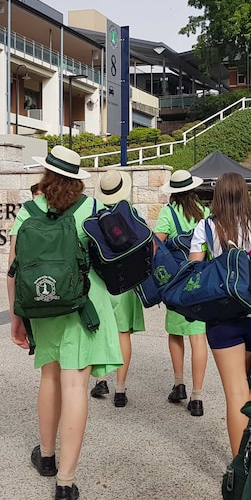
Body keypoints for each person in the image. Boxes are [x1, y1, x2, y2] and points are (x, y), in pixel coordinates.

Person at [7, 145, 122, 500]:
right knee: (76, 386)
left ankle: (46, 456)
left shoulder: (27, 211)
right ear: (77, 179)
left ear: (45, 174)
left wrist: (17, 316)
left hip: (41, 310)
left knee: (49, 378)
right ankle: (65, 484)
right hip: (83, 307)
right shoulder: (91, 210)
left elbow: (11, 269)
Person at [189, 172, 251, 454]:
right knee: (250, 387)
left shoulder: (206, 227)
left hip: (222, 317)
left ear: (217, 196)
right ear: (245, 195)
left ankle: (240, 465)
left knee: (235, 394)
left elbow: (195, 273)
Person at [155, 170, 210, 416]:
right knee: (198, 338)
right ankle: (197, 398)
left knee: (175, 334)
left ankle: (179, 385)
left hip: (176, 281)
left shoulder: (168, 212)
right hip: (201, 280)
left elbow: (156, 243)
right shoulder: (205, 212)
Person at [89, 169, 146, 408]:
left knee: (102, 332)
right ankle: (120, 390)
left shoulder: (92, 215)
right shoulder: (132, 213)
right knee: (123, 334)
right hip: (126, 282)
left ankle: (101, 379)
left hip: (100, 282)